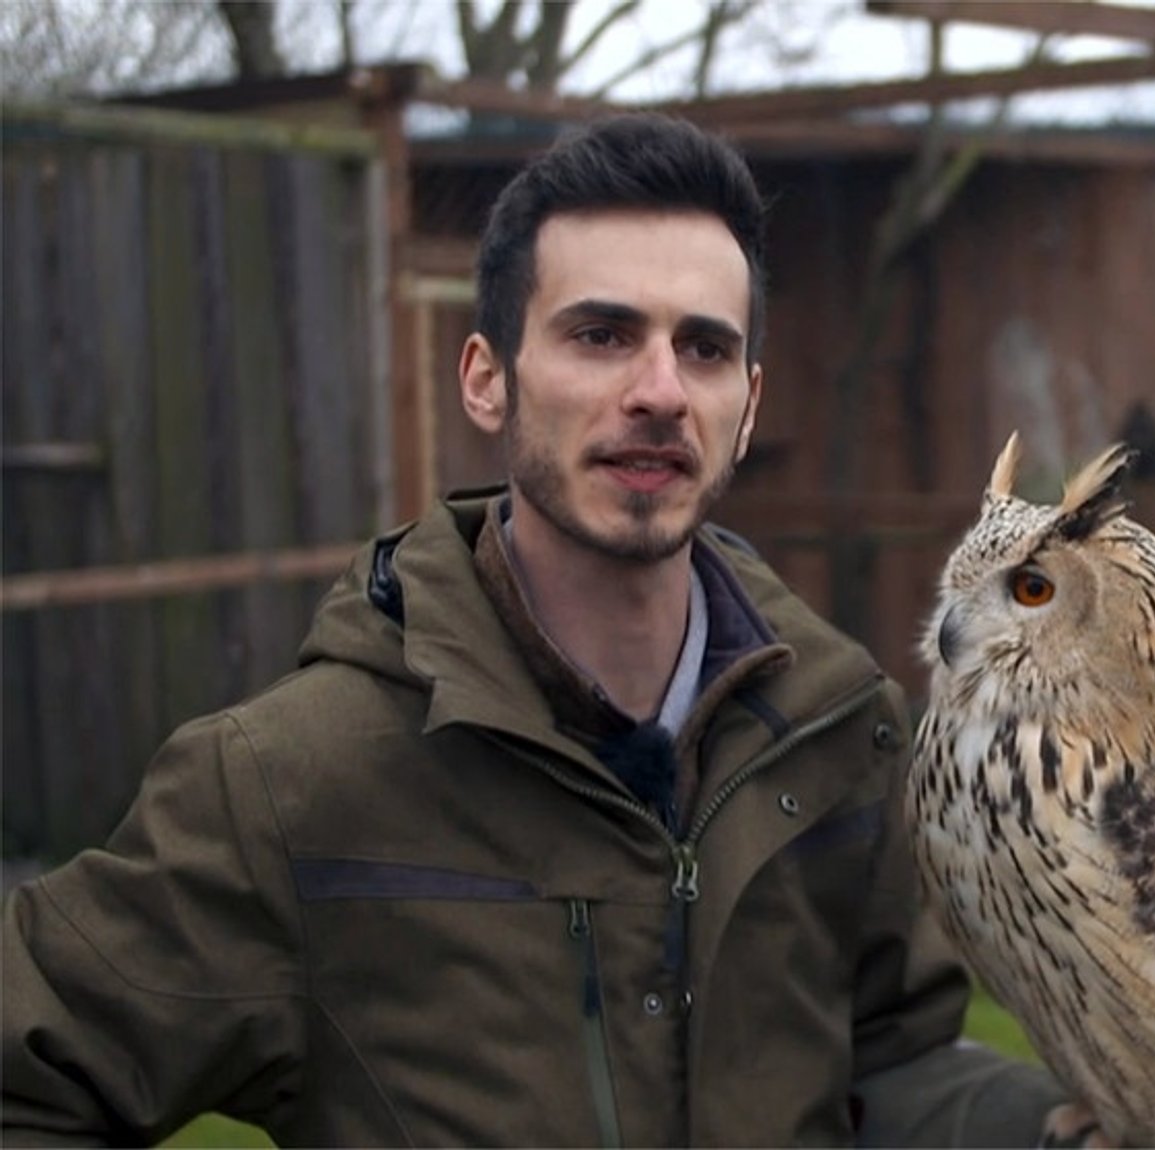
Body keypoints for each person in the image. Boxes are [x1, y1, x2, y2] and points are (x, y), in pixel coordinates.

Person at [2, 113, 1072, 1147]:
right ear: (485, 377)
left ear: (746, 407)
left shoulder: (841, 737)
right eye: (601, 336)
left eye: (702, 349)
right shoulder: (288, 783)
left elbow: (888, 1073)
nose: (657, 391)